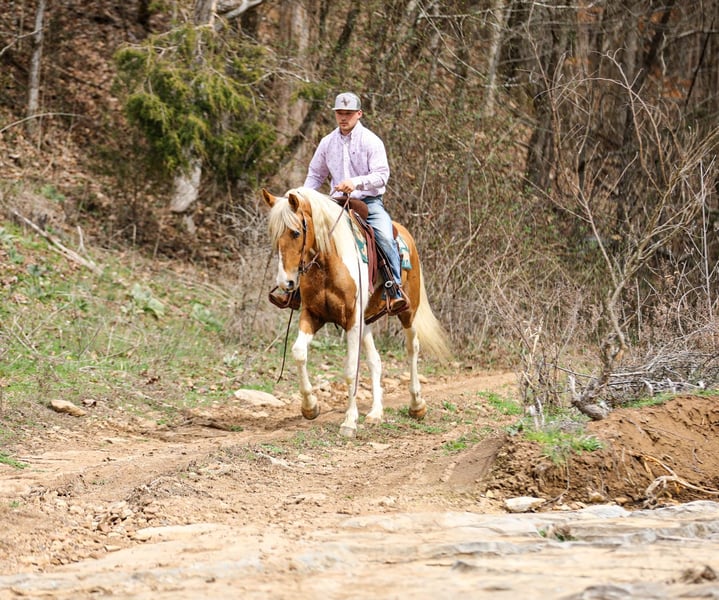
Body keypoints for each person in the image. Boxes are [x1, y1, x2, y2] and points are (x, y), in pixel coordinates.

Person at [303, 91, 408, 315]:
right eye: (340, 113)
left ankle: (394, 288)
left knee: (384, 235)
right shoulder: (327, 142)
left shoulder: (371, 141)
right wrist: (304, 196)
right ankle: (295, 289)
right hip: (335, 203)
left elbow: (381, 175)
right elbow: (316, 174)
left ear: (359, 114)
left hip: (368, 203)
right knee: (305, 233)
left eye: (348, 113)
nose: (343, 117)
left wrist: (356, 182)